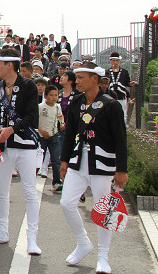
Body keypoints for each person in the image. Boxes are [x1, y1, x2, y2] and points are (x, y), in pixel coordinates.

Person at [60, 61, 128, 274]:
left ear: (95, 79)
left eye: (81, 78)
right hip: (78, 161)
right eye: (77, 77)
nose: (77, 81)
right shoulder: (77, 102)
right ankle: (83, 242)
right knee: (66, 203)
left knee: (103, 210)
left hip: (103, 164)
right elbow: (70, 133)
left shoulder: (111, 104)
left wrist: (121, 170)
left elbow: (121, 138)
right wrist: (64, 161)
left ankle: (103, 256)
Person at [0, 48, 41, 255]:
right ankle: (2, 231)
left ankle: (32, 238)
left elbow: (32, 117)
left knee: (29, 190)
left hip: (25, 145)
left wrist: (12, 129)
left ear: (10, 65)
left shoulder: (28, 86)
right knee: (0, 188)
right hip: (3, 146)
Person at [38, 85, 64, 190]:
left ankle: (57, 182)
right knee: (39, 158)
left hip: (54, 136)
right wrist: (42, 131)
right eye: (51, 95)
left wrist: (62, 122)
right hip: (41, 136)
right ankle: (32, 179)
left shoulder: (57, 106)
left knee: (56, 159)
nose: (54, 97)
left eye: (56, 95)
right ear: (45, 96)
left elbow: (60, 115)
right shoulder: (40, 107)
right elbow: (35, 120)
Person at [106, 52, 135, 122]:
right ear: (111, 61)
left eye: (117, 60)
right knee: (111, 114)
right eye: (113, 60)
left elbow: (126, 83)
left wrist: (130, 84)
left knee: (123, 114)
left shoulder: (124, 72)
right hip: (110, 97)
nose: (115, 62)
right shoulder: (107, 72)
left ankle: (123, 127)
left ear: (119, 61)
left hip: (121, 96)